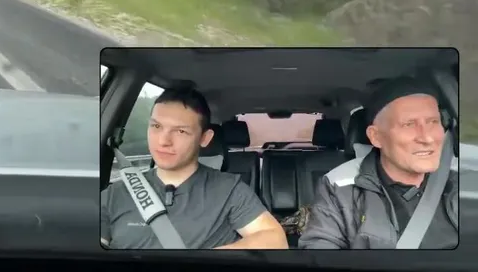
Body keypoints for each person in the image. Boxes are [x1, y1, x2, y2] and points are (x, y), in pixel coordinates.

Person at [101, 87, 287, 250]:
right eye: (156, 126)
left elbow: (275, 240)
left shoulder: (229, 190)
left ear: (204, 138)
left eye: (181, 131)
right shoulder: (114, 194)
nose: (163, 141)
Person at [299, 76, 458, 250]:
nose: (427, 138)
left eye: (433, 122)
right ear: (376, 137)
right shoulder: (341, 185)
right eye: (409, 124)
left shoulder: (462, 176)